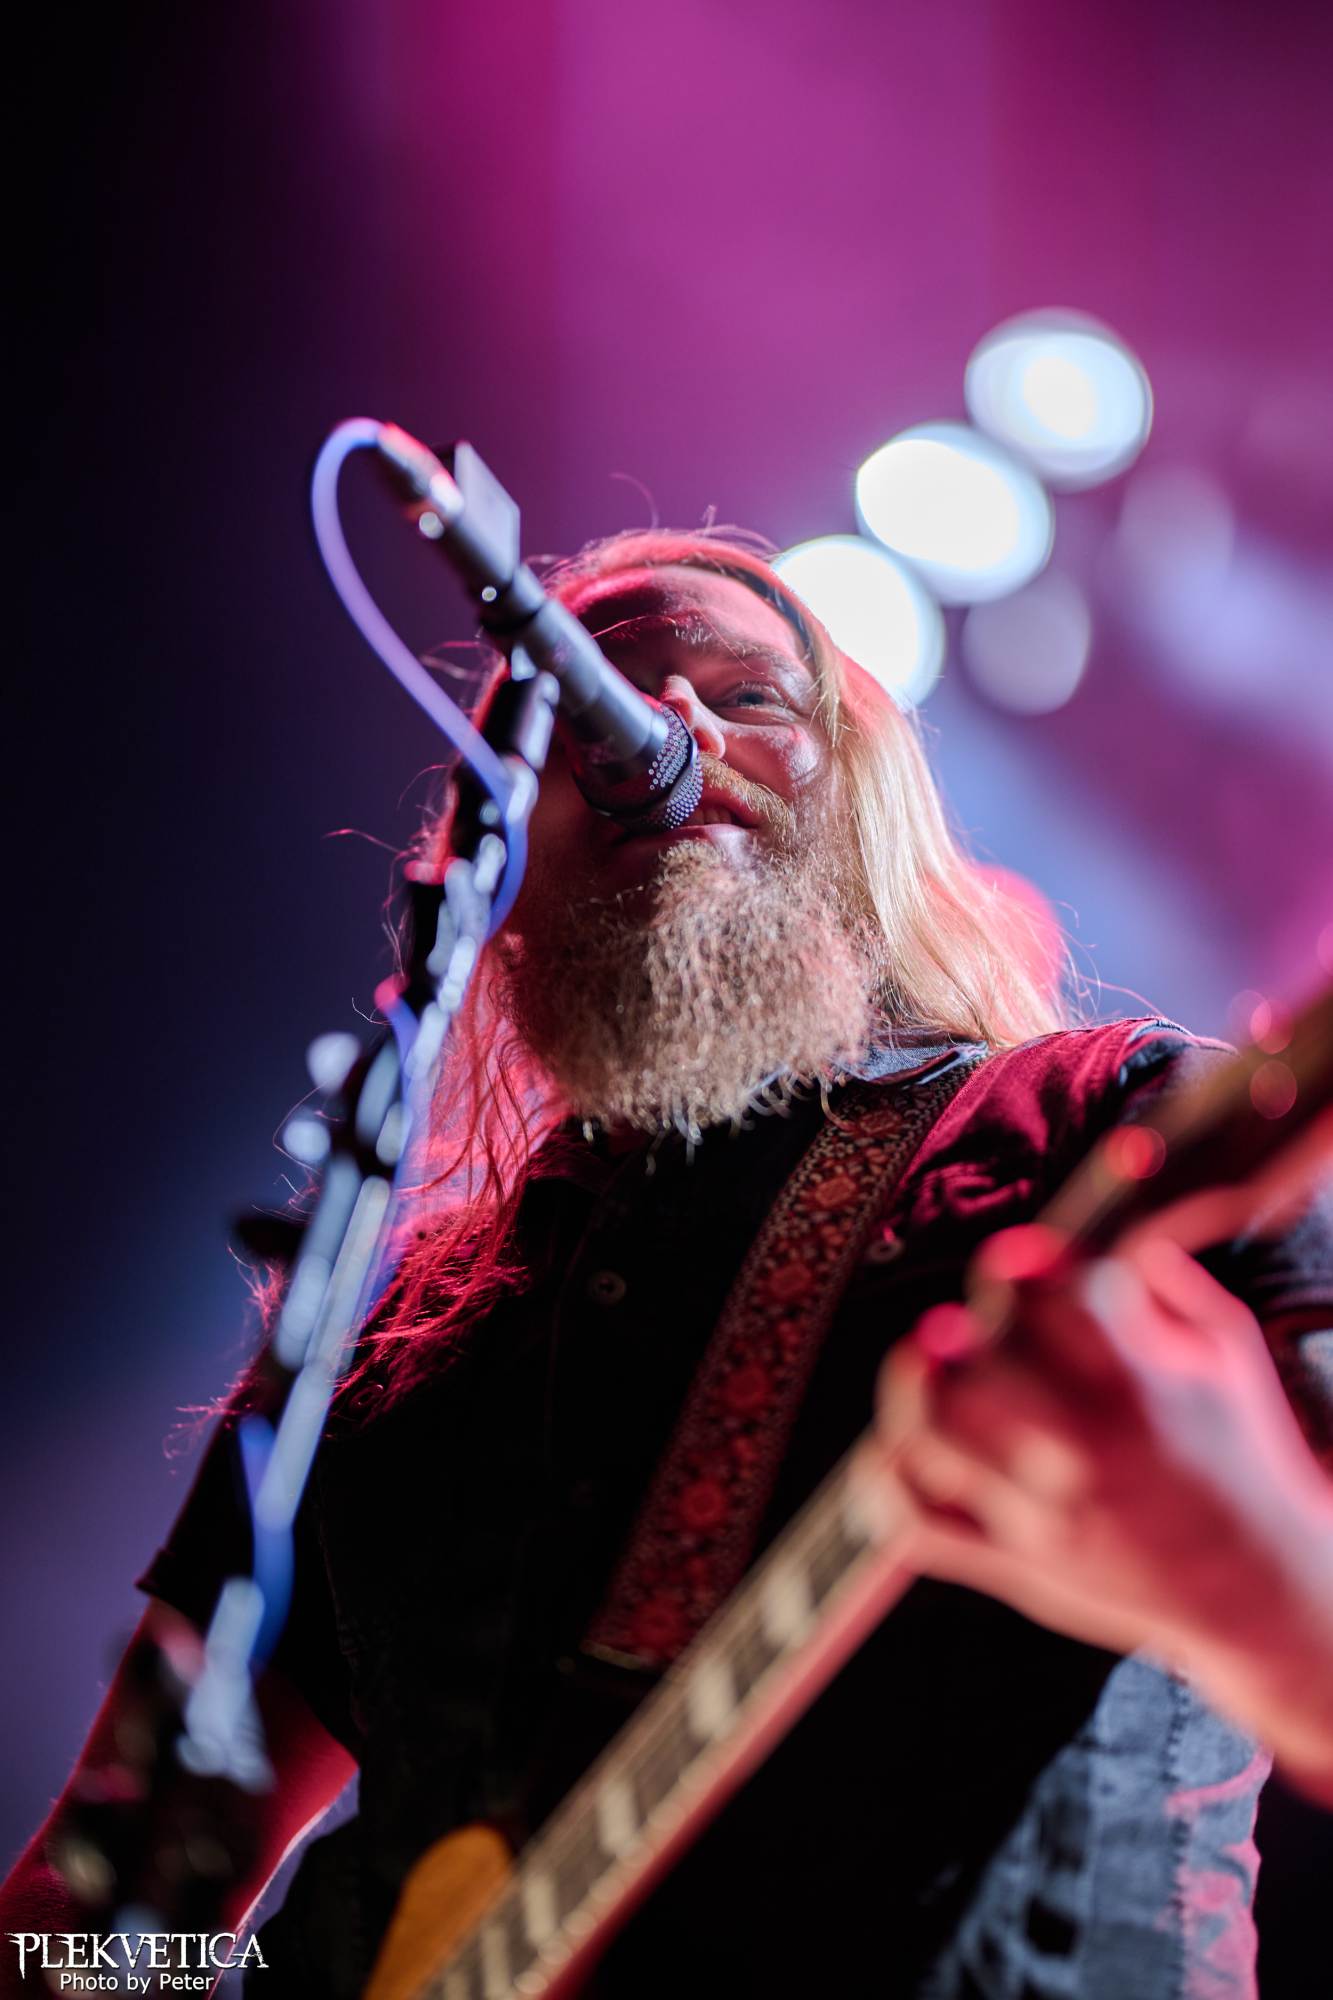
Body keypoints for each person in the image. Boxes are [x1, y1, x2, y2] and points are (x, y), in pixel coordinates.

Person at [3, 530, 1332, 2000]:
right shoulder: (381, 1349)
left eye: (747, 694)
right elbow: (94, 1905)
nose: (663, 726)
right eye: (575, 714)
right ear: (494, 873)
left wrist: (1264, 1585)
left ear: (863, 804)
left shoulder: (1099, 1131)